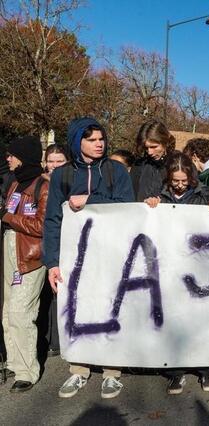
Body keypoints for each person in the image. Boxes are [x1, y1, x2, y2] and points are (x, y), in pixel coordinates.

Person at [43, 117, 134, 399]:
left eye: (101, 139)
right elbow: (53, 220)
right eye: (91, 139)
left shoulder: (116, 171)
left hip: (111, 254)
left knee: (112, 307)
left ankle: (111, 371)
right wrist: (52, 262)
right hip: (75, 258)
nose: (99, 144)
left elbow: (127, 208)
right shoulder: (63, 175)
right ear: (77, 142)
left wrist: (89, 201)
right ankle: (79, 369)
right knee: (78, 308)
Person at [144, 152, 209, 394]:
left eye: (183, 181)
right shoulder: (161, 197)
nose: (179, 185)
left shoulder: (203, 195)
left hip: (198, 266)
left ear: (191, 177)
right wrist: (150, 206)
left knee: (199, 318)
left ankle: (205, 368)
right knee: (175, 317)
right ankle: (176, 371)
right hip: (170, 266)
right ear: (168, 178)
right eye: (175, 180)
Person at [1, 136, 49, 392]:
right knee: (8, 310)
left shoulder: (44, 186)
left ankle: (27, 372)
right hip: (10, 249)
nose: (7, 158)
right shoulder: (15, 183)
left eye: (12, 154)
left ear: (24, 156)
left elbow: (42, 226)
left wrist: (7, 217)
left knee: (21, 312)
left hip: (30, 256)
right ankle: (14, 361)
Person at [39, 144, 69, 359]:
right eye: (51, 161)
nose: (55, 165)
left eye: (60, 161)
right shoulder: (38, 183)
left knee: (59, 291)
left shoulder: (69, 183)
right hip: (37, 244)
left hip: (63, 242)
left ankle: (59, 339)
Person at [129, 120, 175, 201]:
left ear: (165, 142)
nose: (149, 152)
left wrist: (162, 200)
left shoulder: (178, 163)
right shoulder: (138, 165)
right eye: (146, 148)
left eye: (154, 147)